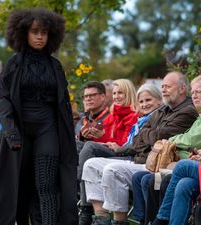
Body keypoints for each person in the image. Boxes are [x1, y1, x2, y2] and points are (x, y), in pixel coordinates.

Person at [0, 8, 78, 225]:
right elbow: (4, 98)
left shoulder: (55, 65)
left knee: (46, 184)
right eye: (35, 31)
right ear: (24, 33)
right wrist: (10, 131)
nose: (40, 37)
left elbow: (62, 102)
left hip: (48, 127)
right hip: (18, 129)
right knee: (18, 184)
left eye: (44, 32)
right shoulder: (13, 63)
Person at [82, 71, 198, 225]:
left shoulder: (187, 111)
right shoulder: (162, 110)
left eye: (167, 87)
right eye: (162, 86)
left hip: (157, 163)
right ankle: (100, 218)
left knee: (123, 172)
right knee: (91, 164)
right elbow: (139, 139)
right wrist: (151, 136)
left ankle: (122, 221)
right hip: (146, 160)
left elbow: (164, 137)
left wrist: (149, 136)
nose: (163, 89)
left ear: (182, 88)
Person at [132, 75, 201, 225]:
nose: (194, 95)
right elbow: (136, 141)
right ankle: (146, 221)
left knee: (158, 178)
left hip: (180, 163)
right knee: (178, 183)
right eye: (193, 92)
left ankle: (160, 220)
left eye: (199, 92)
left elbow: (189, 139)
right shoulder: (196, 117)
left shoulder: (188, 111)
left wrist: (168, 141)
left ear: (182, 89)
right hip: (184, 164)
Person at [79, 79, 138, 225]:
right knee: (76, 144)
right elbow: (109, 140)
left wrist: (101, 140)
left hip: (125, 156)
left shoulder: (133, 115)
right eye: (115, 93)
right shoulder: (114, 113)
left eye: (121, 93)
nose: (117, 96)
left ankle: (84, 203)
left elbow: (124, 145)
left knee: (90, 147)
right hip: (114, 152)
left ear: (129, 94)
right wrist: (98, 136)